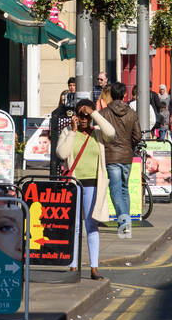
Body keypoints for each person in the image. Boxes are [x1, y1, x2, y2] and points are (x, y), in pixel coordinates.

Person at [55, 101, 116, 280]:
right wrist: (73, 132)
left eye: (86, 116)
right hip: (73, 185)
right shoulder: (68, 132)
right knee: (74, 226)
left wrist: (94, 113)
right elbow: (62, 154)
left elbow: (111, 133)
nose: (83, 119)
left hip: (92, 184)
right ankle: (73, 265)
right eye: (80, 115)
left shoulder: (97, 133)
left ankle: (94, 267)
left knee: (91, 225)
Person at [97, 81, 140, 238]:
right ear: (124, 95)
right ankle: (125, 224)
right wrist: (129, 145)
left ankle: (124, 223)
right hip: (127, 156)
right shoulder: (132, 113)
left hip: (111, 156)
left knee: (115, 191)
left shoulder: (104, 113)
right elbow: (138, 136)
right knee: (124, 189)